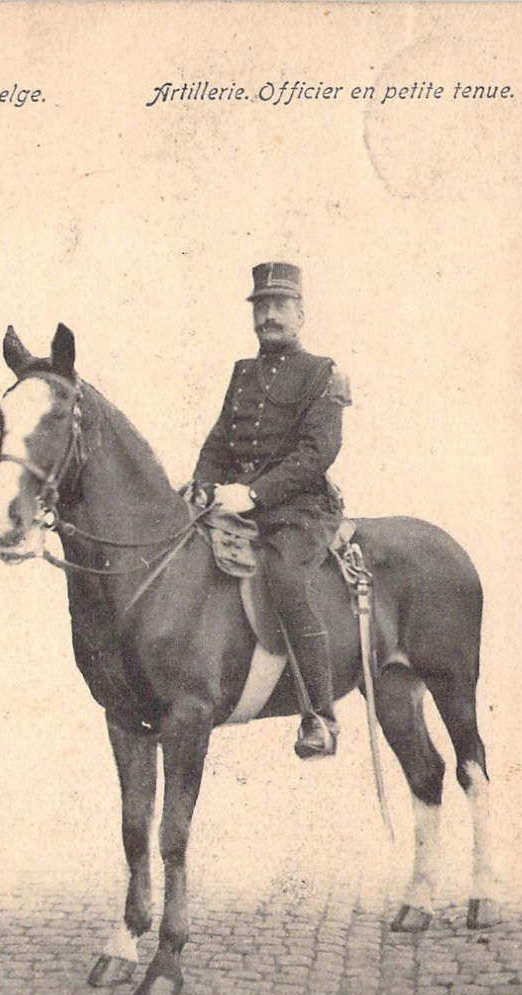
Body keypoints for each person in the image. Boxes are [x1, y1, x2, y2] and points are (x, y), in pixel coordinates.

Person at [186, 262, 352, 758]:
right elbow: (220, 441)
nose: (270, 316)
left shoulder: (323, 373)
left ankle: (320, 715)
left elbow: (315, 453)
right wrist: (204, 485)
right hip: (239, 505)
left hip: (299, 509)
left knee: (283, 576)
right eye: (261, 306)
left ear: (301, 313)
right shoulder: (243, 372)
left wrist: (253, 494)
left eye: (280, 305)